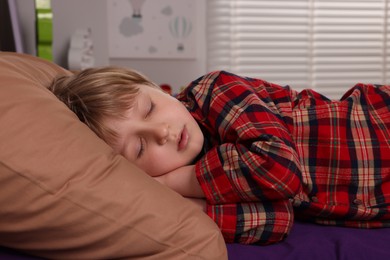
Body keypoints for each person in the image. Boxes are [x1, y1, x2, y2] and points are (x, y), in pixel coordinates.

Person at [49, 67, 390, 245]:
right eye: (140, 148)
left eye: (150, 107)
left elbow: (280, 169)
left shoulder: (214, 89)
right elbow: (276, 222)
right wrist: (175, 196)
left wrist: (176, 180)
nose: (162, 132)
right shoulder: (197, 180)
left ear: (155, 87)